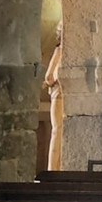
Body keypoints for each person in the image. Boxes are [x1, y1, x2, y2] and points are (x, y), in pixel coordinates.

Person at [43, 20, 64, 170]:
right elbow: (49, 76)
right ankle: (53, 169)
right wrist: (55, 78)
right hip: (58, 94)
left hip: (68, 95)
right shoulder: (59, 51)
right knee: (57, 131)